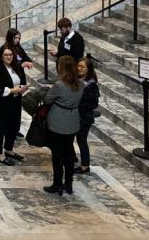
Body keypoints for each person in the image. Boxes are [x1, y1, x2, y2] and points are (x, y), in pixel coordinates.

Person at [42, 56, 84, 195]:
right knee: (69, 153)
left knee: (57, 155)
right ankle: (69, 184)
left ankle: (57, 183)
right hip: (72, 121)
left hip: (58, 122)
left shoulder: (59, 85)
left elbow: (47, 99)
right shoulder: (80, 84)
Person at [0, 46, 29, 166]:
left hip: (15, 102)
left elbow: (21, 80)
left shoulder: (16, 65)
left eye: (10, 55)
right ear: (1, 55)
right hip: (0, 103)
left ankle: (9, 150)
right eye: (6, 55)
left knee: (14, 127)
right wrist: (13, 90)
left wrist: (22, 88)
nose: (9, 57)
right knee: (0, 129)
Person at [75, 57, 100, 174]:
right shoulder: (77, 79)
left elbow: (94, 104)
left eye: (82, 67)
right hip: (75, 116)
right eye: (78, 66)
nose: (79, 69)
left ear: (88, 69)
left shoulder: (91, 85)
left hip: (84, 118)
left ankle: (85, 165)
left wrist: (80, 102)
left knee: (82, 141)